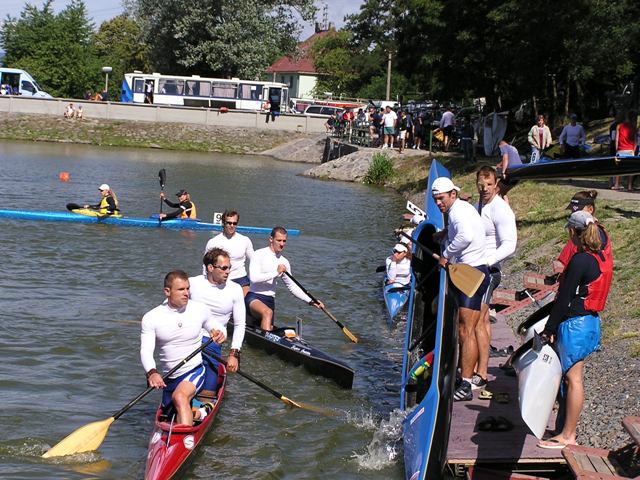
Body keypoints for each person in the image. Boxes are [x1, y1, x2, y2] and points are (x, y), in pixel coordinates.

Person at [537, 211, 613, 449]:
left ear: (573, 232)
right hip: (590, 321)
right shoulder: (598, 257)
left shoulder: (580, 260)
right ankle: (564, 429)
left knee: (573, 379)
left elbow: (563, 299)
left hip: (576, 325)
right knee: (572, 379)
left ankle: (568, 435)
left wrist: (549, 328)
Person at [140, 270, 226, 426]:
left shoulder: (199, 309)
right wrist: (152, 373)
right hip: (170, 377)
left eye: (188, 288)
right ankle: (200, 411)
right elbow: (146, 351)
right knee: (174, 407)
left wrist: (220, 333)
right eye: (181, 289)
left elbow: (216, 326)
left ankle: (186, 439)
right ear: (167, 291)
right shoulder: (151, 318)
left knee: (180, 397)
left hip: (194, 371)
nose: (186, 293)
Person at [431, 177, 489, 401]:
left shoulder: (456, 212)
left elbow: (466, 235)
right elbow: (465, 230)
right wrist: (446, 234)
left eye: (441, 198)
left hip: (470, 275)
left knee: (466, 331)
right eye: (436, 199)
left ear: (452, 194)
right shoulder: (462, 208)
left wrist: (446, 255)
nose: (438, 203)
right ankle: (464, 375)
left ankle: (465, 384)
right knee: (466, 329)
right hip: (476, 270)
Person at [472, 166, 517, 390]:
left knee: (479, 320)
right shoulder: (477, 205)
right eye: (481, 185)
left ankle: (482, 373)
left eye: (489, 185)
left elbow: (510, 245)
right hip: (474, 270)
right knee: (477, 320)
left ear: (496, 184)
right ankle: (474, 367)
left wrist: (488, 261)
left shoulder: (501, 209)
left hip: (490, 271)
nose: (485, 189)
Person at [190, 248, 246, 402]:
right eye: (224, 268)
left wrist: (234, 354)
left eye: (229, 268)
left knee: (206, 395)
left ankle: (202, 406)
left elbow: (240, 324)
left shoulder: (235, 289)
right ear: (210, 268)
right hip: (188, 342)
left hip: (212, 344)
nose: (228, 271)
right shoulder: (192, 283)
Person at [246, 226, 324, 331]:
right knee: (267, 312)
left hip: (270, 301)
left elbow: (292, 287)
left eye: (284, 241)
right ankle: (267, 343)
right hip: (254, 297)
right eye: (279, 240)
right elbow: (254, 278)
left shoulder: (284, 262)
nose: (282, 244)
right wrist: (276, 272)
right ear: (271, 239)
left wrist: (310, 301)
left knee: (269, 316)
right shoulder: (258, 254)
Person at [204, 210, 254, 296]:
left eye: (234, 223)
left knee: (242, 304)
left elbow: (255, 260)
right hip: (220, 279)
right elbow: (205, 266)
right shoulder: (213, 242)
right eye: (229, 223)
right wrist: (207, 283)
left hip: (241, 280)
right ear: (223, 223)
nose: (232, 226)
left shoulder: (245, 240)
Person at [611, 110, 638, 190]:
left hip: (621, 149)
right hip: (630, 150)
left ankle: (616, 185)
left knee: (619, 169)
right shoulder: (634, 128)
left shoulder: (619, 126)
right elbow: (635, 141)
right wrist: (634, 150)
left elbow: (616, 139)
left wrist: (616, 150)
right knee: (631, 169)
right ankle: (630, 186)